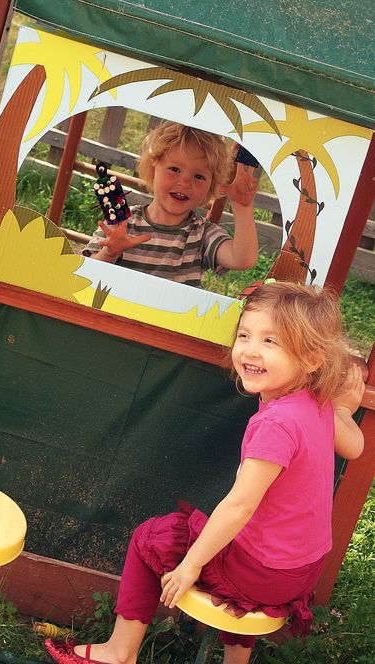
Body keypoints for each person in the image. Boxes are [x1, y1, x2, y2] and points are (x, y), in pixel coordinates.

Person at [44, 282, 365, 664]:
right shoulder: (317, 400)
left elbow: (239, 507)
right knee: (241, 538)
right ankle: (235, 660)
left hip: (261, 574)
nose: (250, 349)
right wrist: (344, 408)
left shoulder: (277, 424)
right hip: (301, 572)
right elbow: (355, 447)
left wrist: (190, 566)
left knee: (151, 537)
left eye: (270, 342)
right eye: (245, 334)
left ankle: (118, 651)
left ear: (312, 359)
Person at [82, 121, 259, 287]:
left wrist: (242, 206)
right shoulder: (121, 222)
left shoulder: (202, 234)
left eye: (199, 176)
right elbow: (85, 276)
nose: (185, 182)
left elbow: (242, 260)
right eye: (174, 169)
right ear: (153, 168)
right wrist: (110, 252)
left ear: (210, 186)